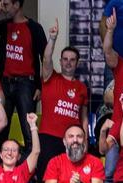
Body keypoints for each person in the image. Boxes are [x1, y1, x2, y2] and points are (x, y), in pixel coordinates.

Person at [0, 0, 46, 158]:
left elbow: (44, 58)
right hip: (5, 82)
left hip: (26, 84)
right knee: (0, 128)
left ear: (17, 5)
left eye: (6, 4)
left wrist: (40, 86)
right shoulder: (5, 24)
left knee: (28, 130)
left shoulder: (34, 28)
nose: (3, 7)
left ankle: (29, 170)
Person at [39, 23, 89, 167]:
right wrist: (52, 39)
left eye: (72, 60)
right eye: (65, 59)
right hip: (49, 137)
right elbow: (46, 59)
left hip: (72, 140)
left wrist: (84, 140)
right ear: (60, 62)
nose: (68, 63)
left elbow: (84, 118)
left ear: (77, 63)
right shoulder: (50, 77)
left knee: (70, 179)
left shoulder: (82, 88)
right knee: (46, 180)